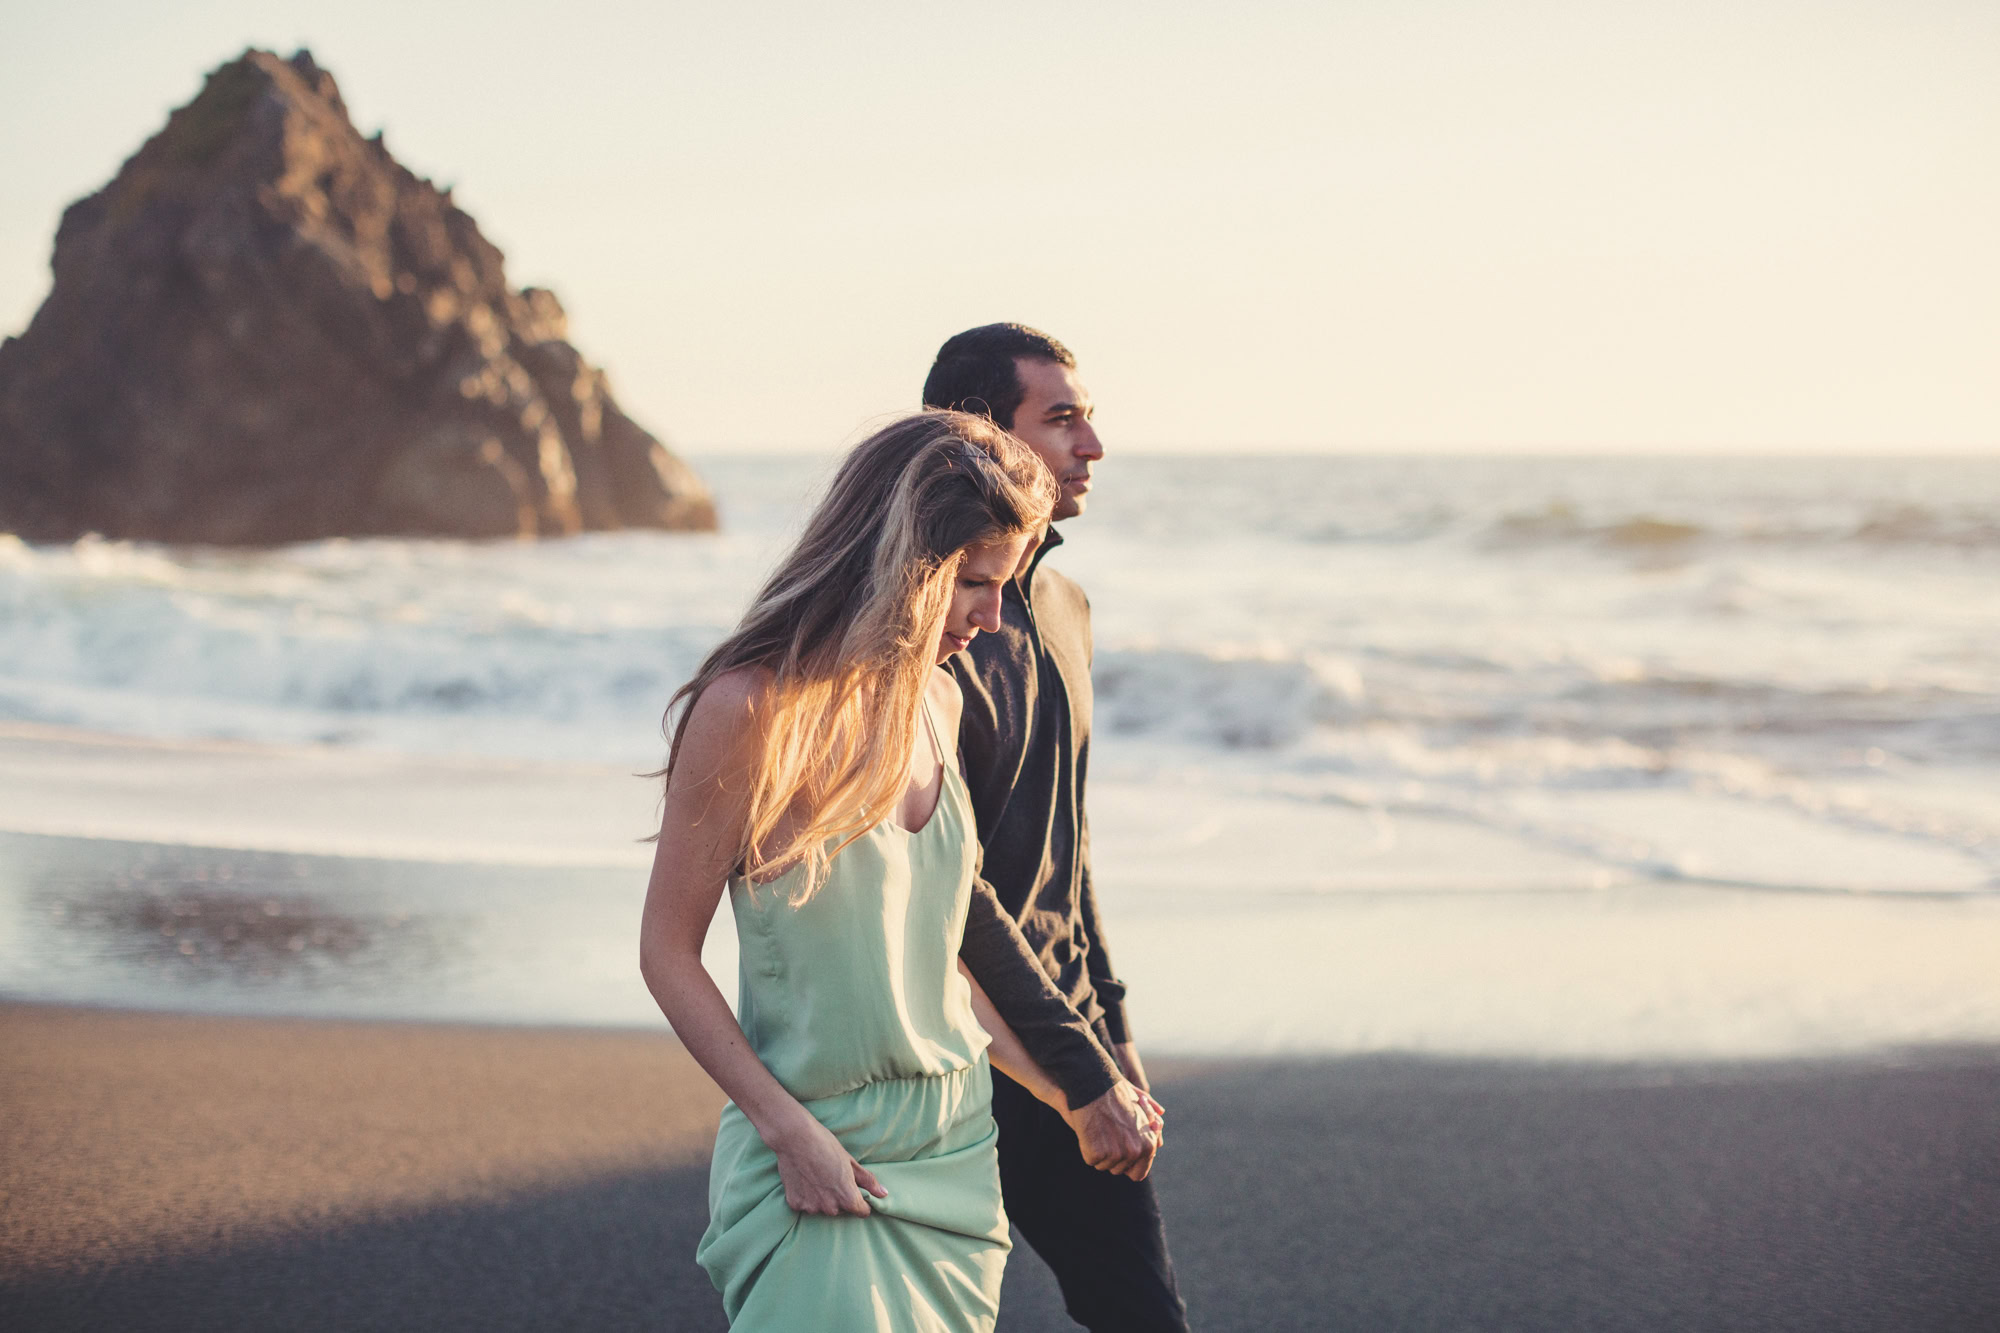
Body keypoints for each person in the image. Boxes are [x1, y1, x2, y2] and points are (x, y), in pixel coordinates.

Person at [638, 410, 1157, 1332]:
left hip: (957, 1151)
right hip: (824, 1156)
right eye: (974, 581)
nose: (992, 617)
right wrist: (785, 1129)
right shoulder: (751, 710)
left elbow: (943, 963)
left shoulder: (941, 702)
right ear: (902, 562)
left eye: (1007, 583)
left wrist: (1073, 1093)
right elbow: (667, 955)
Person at [925, 324, 1192, 1332]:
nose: (1092, 445)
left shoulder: (1066, 606)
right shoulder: (923, 624)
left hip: (1063, 1035)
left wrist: (1111, 1038)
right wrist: (1075, 1069)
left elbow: (1065, 858)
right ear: (982, 434)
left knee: (1140, 1315)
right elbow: (945, 881)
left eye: (1087, 417)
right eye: (1062, 418)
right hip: (949, 1044)